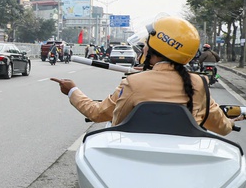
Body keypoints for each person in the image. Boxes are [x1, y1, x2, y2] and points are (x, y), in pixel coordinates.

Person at [50, 16, 242, 136]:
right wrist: (231, 122)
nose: (144, 48)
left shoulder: (134, 82)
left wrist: (72, 90)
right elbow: (221, 127)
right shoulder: (199, 83)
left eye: (147, 45)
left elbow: (100, 114)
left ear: (156, 51)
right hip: (184, 163)